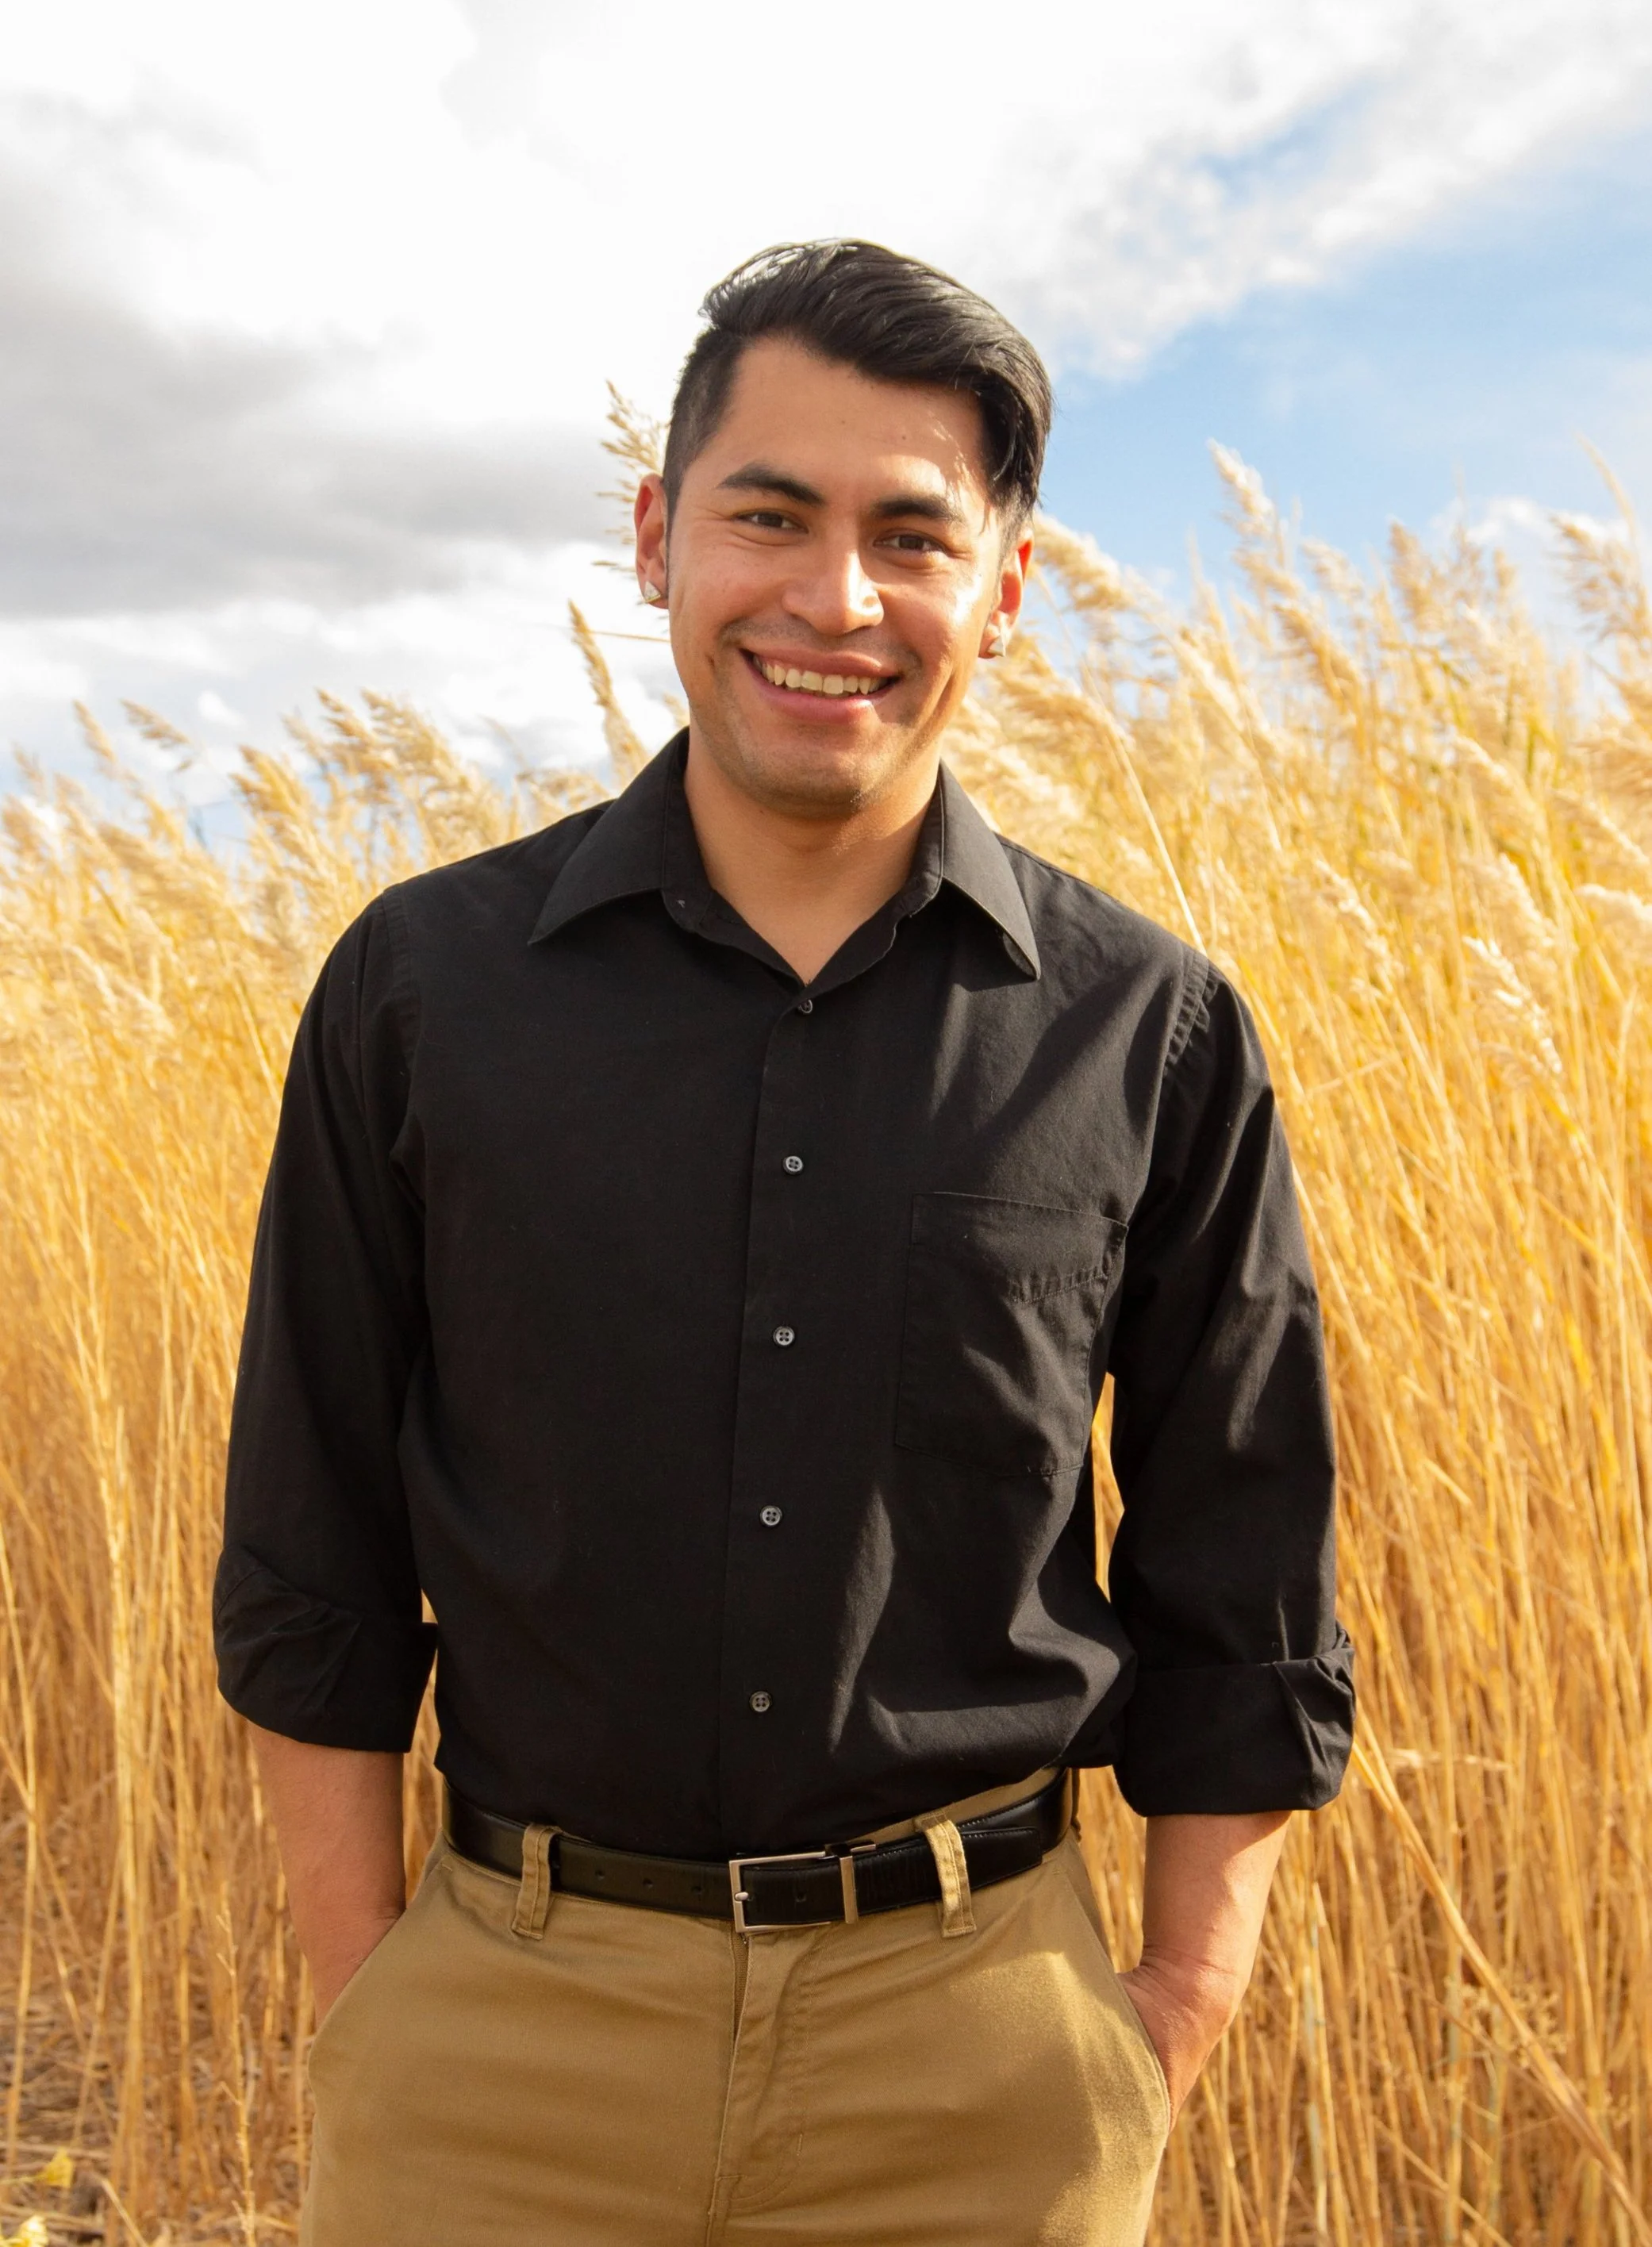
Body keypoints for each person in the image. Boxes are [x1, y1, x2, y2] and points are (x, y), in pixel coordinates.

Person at [215, 239, 1354, 2247]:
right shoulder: (422, 990)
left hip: (977, 2063)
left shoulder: (1149, 1030)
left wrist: (1158, 2021)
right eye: (769, 515)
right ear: (659, 539)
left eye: (911, 536)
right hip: (499, 2052)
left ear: (1003, 590)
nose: (834, 600)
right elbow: (312, 1543)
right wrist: (374, 2000)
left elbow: (1241, 1575)